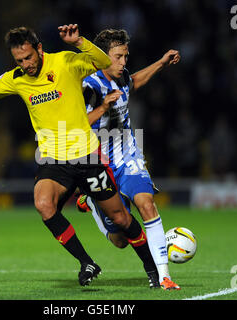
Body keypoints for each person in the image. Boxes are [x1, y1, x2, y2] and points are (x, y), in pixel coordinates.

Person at [0, 24, 159, 288]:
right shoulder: (16, 78)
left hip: (87, 156)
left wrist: (79, 41)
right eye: (19, 60)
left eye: (28, 58)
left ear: (39, 49)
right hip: (53, 160)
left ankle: (152, 269)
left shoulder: (66, 62)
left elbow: (102, 60)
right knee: (44, 204)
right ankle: (86, 262)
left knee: (121, 220)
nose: (25, 64)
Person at [75, 29, 181, 289]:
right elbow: (76, 126)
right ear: (102, 57)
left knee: (147, 205)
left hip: (128, 156)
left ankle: (164, 276)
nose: (124, 62)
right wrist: (103, 108)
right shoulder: (89, 85)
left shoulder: (121, 77)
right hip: (99, 165)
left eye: (126, 56)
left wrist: (161, 63)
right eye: (118, 57)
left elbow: (135, 81)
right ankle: (91, 201)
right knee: (120, 239)